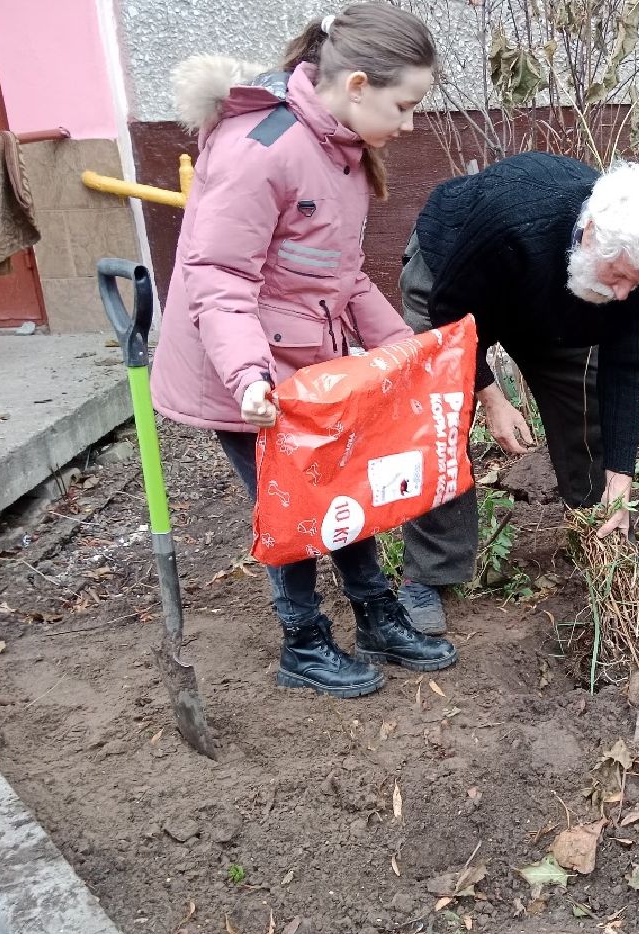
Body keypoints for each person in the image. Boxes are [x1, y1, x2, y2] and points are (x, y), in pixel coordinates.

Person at [151, 4, 455, 699]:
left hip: (305, 364)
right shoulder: (261, 149)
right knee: (291, 506)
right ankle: (303, 641)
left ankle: (376, 614)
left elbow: (340, 276)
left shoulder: (340, 151)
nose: (408, 125)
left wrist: (403, 349)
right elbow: (218, 278)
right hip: (242, 373)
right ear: (355, 85)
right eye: (403, 106)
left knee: (340, 485)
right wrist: (249, 378)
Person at [395, 152, 639, 633]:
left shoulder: (637, 272)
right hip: (453, 280)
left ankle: (602, 533)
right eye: (619, 277)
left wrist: (621, 480)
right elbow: (448, 312)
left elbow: (624, 369)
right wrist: (491, 395)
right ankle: (427, 576)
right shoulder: (511, 219)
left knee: (586, 402)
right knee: (441, 417)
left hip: (553, 299)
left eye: (635, 284)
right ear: (594, 234)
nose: (624, 294)